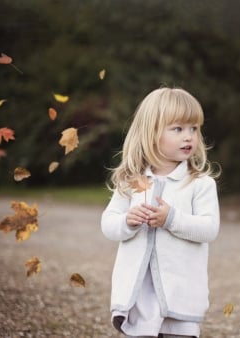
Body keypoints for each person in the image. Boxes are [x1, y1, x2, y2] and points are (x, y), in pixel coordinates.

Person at [101, 86, 220, 338]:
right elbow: (109, 224)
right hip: (139, 293)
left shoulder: (200, 184)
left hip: (181, 290)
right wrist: (127, 221)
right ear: (151, 133)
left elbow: (209, 228)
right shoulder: (133, 181)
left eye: (194, 129)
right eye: (178, 129)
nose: (189, 137)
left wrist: (172, 219)